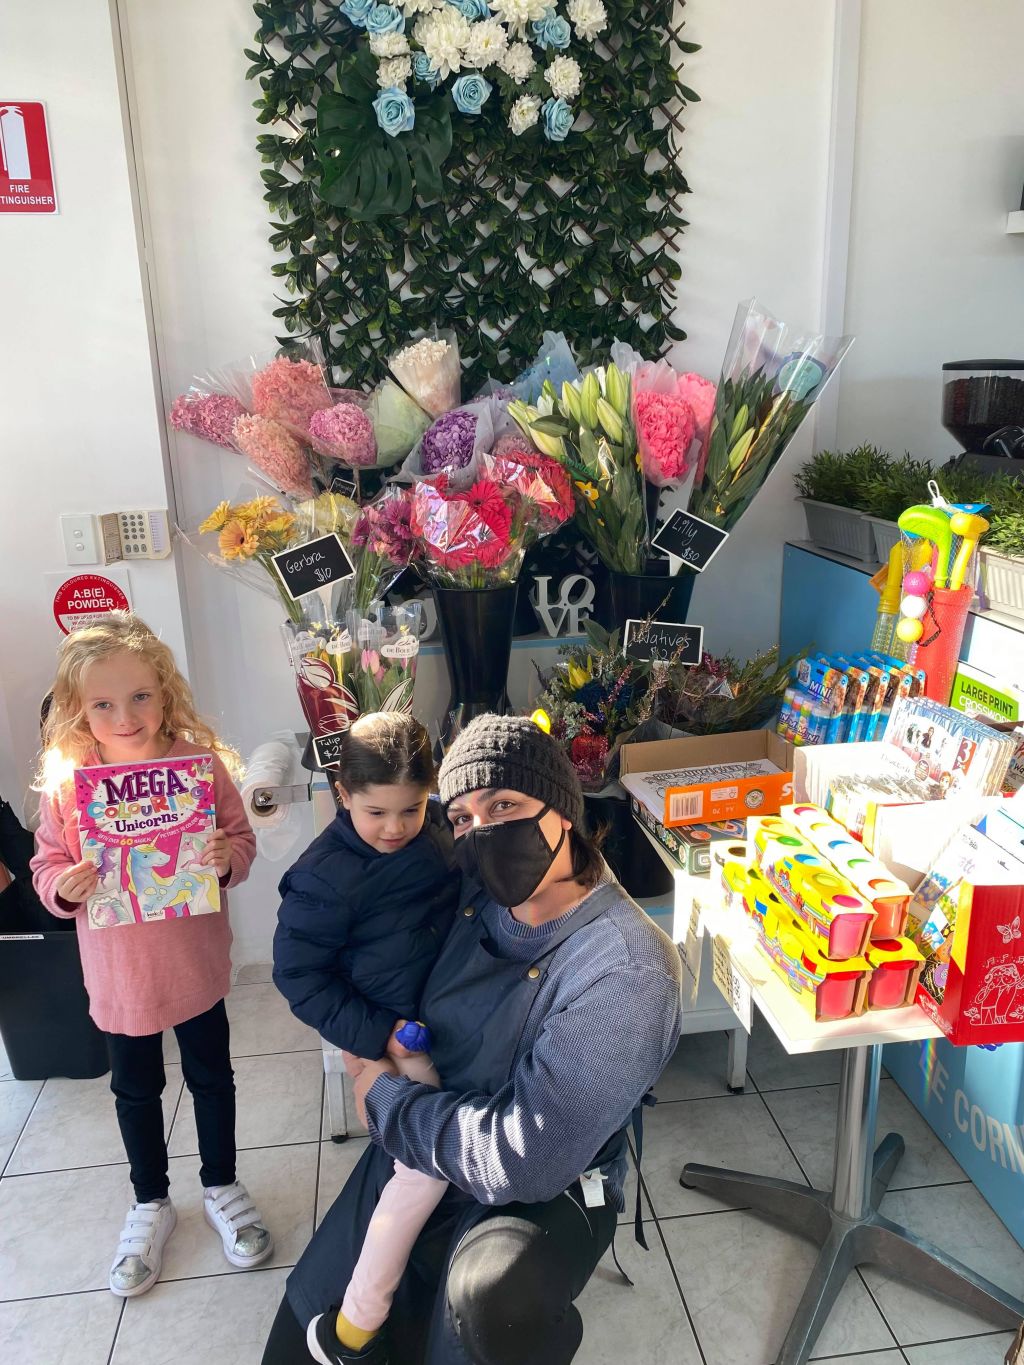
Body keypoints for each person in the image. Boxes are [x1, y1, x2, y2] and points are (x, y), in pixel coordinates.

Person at [262, 713, 684, 1365]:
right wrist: (365, 1035)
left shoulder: (624, 965)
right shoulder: (470, 890)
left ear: (563, 808)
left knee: (485, 1301)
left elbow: (527, 1156)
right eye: (463, 816)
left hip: (537, 1183)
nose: (484, 830)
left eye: (506, 805)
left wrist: (384, 1098)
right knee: (303, 1338)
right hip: (426, 1130)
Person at [30, 613, 272, 1298]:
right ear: (78, 708)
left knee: (211, 1077)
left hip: (193, 965)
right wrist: (62, 886)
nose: (124, 714)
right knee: (135, 1089)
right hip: (120, 977)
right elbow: (46, 864)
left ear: (164, 690)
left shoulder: (198, 767)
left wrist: (228, 859)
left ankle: (221, 1184)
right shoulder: (68, 786)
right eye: (102, 703)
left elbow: (239, 841)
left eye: (140, 695)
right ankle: (150, 1201)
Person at [272, 712, 459, 1360]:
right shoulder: (323, 876)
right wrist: (378, 1036)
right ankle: (355, 1320)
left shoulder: (433, 830)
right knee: (426, 1168)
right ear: (343, 792)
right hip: (394, 1037)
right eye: (377, 810)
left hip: (449, 1013)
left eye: (411, 808)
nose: (394, 827)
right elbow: (299, 976)